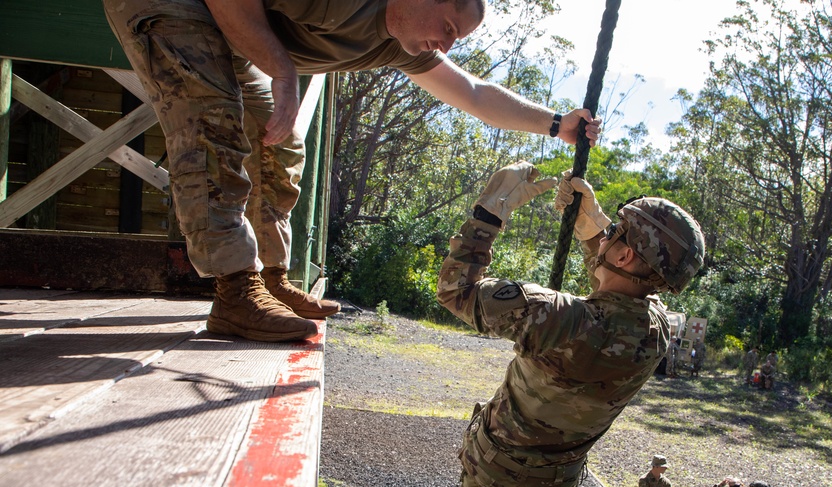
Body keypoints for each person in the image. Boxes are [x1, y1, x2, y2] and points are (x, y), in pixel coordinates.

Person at [103, 0, 601, 343]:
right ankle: (235, 291)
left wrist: (556, 124)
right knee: (211, 122)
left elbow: (471, 93)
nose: (447, 45)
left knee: (278, 141)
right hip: (177, 6)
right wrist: (281, 70)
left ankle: (269, 279)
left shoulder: (401, 42)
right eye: (449, 26)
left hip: (230, 34)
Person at [437, 163, 705, 487]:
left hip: (492, 456)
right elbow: (617, 295)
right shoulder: (658, 331)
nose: (611, 233)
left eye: (618, 231)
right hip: (550, 480)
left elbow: (455, 291)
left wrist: (488, 214)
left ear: (624, 256)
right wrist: (594, 228)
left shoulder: (555, 316)